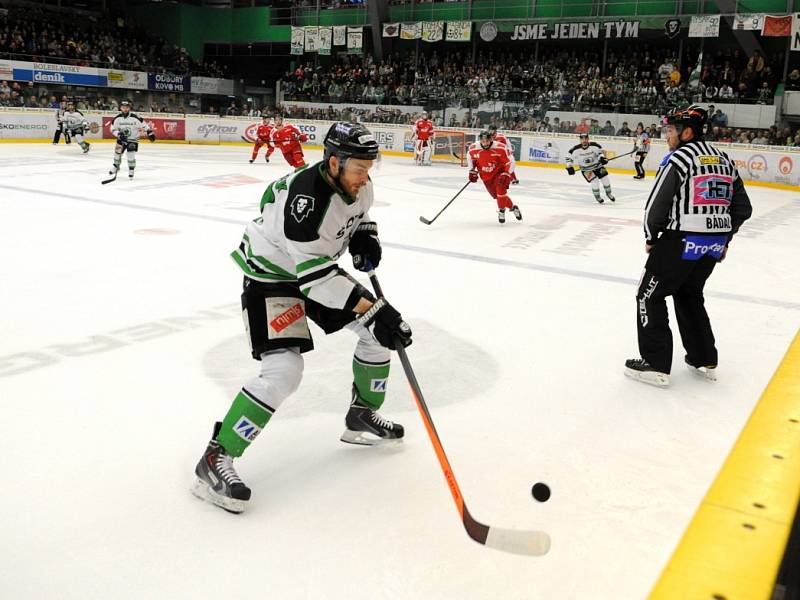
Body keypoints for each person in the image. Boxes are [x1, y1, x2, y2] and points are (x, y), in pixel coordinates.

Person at [192, 122, 413, 514]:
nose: (366, 177)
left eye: (369, 168)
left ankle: (361, 415)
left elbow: (358, 218)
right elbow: (315, 282)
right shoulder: (306, 204)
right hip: (273, 275)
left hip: (312, 269)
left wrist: (366, 237)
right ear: (334, 162)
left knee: (378, 336)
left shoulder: (358, 181)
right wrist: (375, 309)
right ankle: (216, 456)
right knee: (284, 372)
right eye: (359, 169)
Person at [624, 105, 753, 386]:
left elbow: (657, 206)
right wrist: (724, 237)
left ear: (687, 132)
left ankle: (655, 364)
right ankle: (703, 357)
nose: (667, 135)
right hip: (713, 244)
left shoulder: (679, 158)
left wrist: (651, 237)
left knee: (649, 295)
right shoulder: (725, 159)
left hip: (680, 239)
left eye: (671, 130)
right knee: (689, 293)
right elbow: (743, 207)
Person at [467, 130, 522, 224]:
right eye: (483, 141)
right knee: (498, 197)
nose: (485, 143)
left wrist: (506, 173)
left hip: (499, 173)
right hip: (486, 176)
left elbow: (510, 161)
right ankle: (513, 208)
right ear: (480, 140)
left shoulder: (500, 147)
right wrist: (472, 171)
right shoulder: (473, 148)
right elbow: (471, 158)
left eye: (487, 141)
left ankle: (501, 211)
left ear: (491, 139)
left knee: (501, 189)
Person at [109, 101, 155, 179]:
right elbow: (112, 129)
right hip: (121, 139)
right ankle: (116, 167)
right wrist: (119, 134)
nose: (125, 109)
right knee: (117, 153)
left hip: (133, 139)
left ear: (129, 108)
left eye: (127, 107)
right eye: (123, 107)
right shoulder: (117, 118)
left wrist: (149, 132)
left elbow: (144, 125)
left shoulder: (135, 117)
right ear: (120, 108)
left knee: (130, 155)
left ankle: (131, 169)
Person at [565, 133, 616, 204]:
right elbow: (568, 157)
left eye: (586, 139)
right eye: (582, 139)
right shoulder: (575, 149)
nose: (584, 140)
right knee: (595, 182)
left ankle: (608, 193)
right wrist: (569, 166)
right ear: (580, 140)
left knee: (605, 179)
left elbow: (601, 152)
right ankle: (598, 197)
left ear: (588, 139)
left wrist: (602, 158)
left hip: (598, 166)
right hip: (586, 169)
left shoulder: (594, 145)